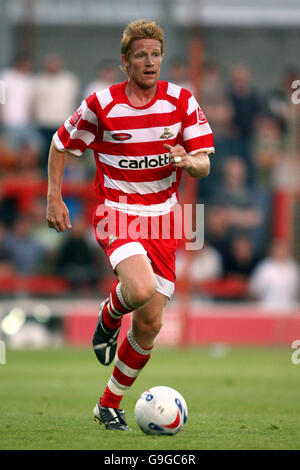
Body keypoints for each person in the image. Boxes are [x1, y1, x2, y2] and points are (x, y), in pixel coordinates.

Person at [46, 19, 214, 431]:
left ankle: (107, 404)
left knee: (150, 323)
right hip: (115, 212)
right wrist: (54, 195)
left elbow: (204, 164)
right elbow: (60, 142)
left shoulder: (181, 102)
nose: (150, 62)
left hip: (164, 221)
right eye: (141, 55)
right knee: (137, 290)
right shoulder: (102, 105)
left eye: (155, 54)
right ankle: (109, 313)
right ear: (126, 62)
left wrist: (187, 160)